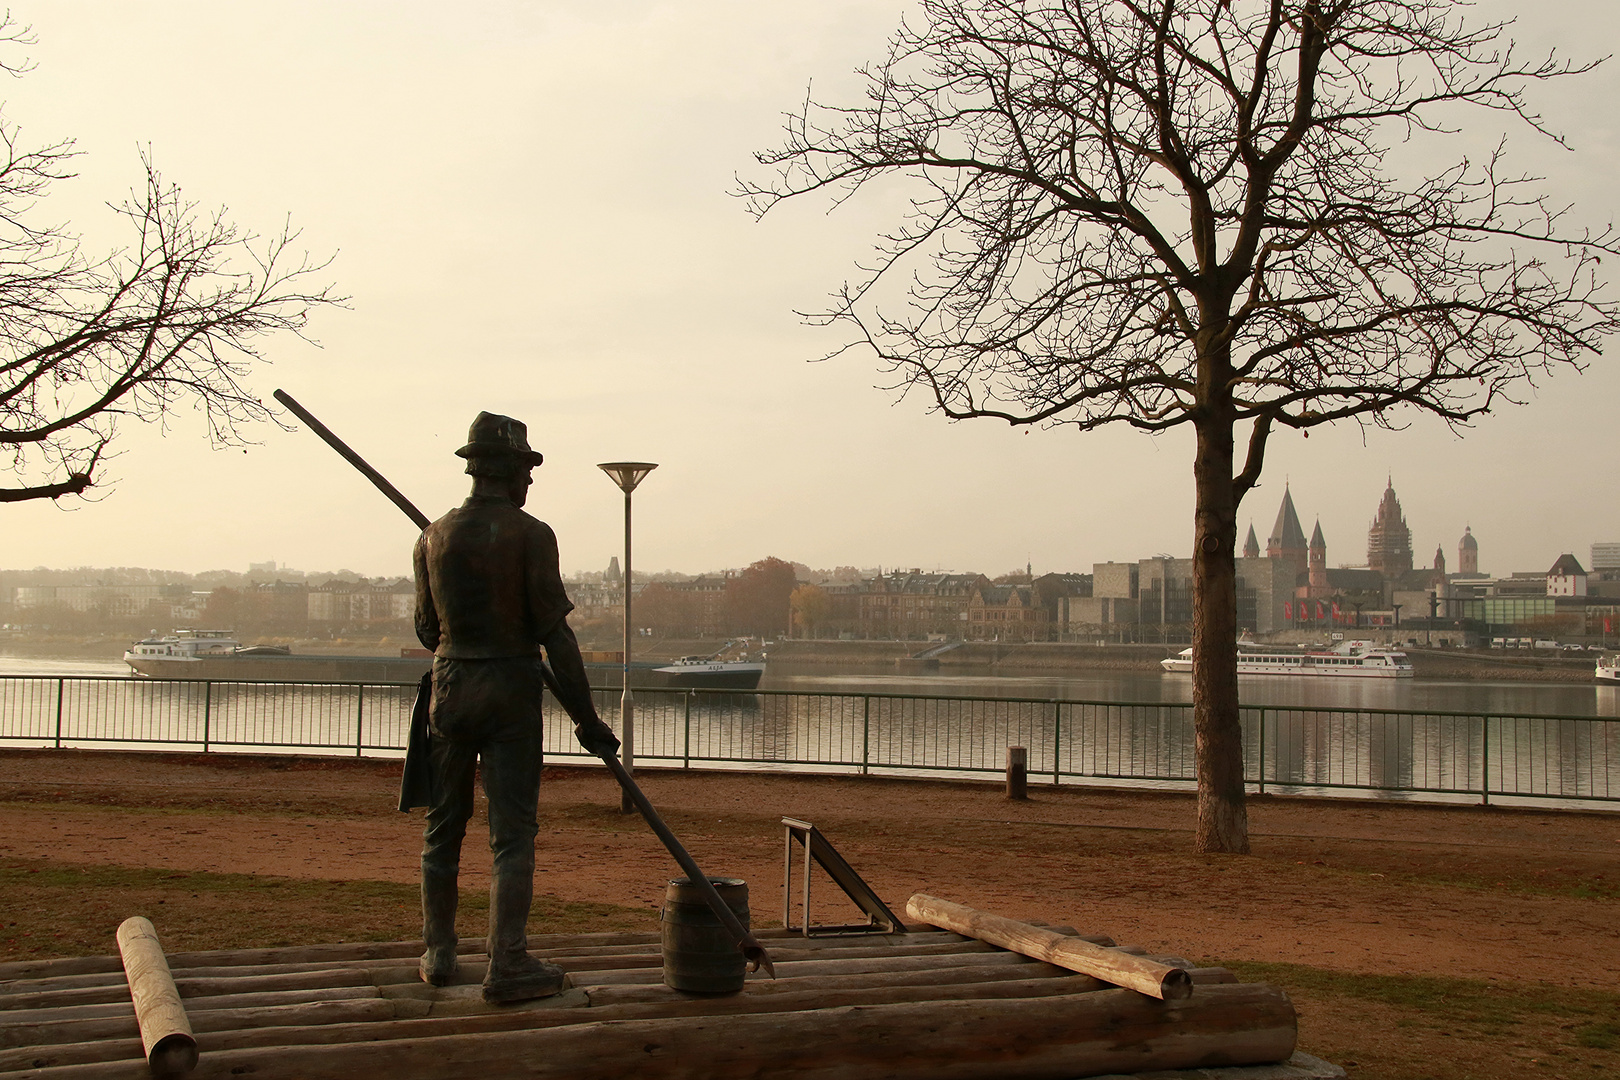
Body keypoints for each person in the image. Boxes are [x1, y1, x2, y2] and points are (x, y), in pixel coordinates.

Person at [408, 411, 620, 1004]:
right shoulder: (533, 534)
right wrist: (587, 718)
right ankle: (507, 963)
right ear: (512, 473)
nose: (531, 483)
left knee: (443, 826)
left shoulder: (431, 537)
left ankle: (439, 951)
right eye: (528, 470)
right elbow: (557, 636)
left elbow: (428, 631)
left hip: (450, 687)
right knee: (513, 834)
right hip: (509, 690)